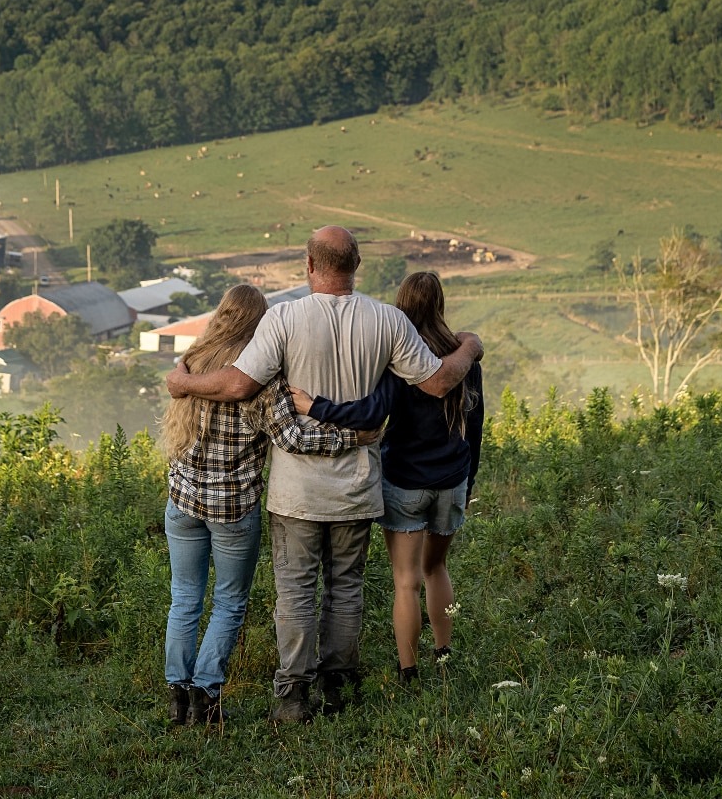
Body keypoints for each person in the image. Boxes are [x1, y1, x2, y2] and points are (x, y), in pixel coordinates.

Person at [168, 227, 482, 723]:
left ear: (309, 266)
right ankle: (339, 686)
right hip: (357, 489)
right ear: (356, 265)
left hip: (295, 493)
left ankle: (293, 697)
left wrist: (183, 382)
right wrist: (471, 345)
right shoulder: (389, 320)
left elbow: (236, 384)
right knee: (346, 588)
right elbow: (440, 380)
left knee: (295, 593)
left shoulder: (284, 319)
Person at [160, 283, 372, 727]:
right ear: (260, 325)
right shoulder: (259, 380)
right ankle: (206, 693)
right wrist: (352, 436)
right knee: (229, 602)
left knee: (184, 598)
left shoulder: (192, 364)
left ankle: (178, 698)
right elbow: (293, 437)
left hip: (181, 501)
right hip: (233, 507)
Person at [294, 270, 483, 682]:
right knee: (437, 569)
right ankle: (444, 655)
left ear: (402, 305)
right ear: (440, 304)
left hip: (404, 482)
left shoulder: (397, 359)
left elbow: (369, 414)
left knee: (405, 582)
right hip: (452, 480)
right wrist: (468, 483)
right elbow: (477, 429)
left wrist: (315, 406)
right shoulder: (463, 358)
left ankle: (408, 671)